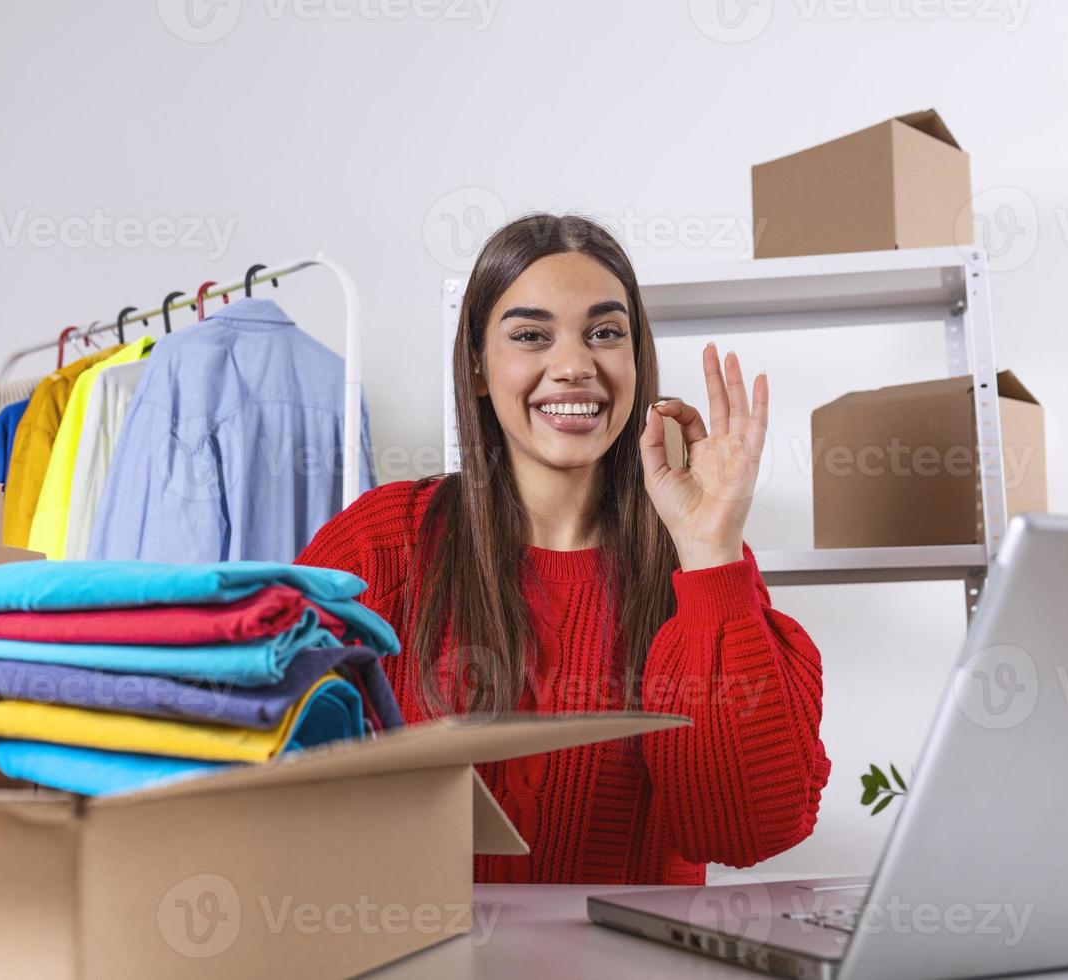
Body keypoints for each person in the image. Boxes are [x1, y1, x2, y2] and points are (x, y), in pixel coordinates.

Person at [296, 213, 830, 884]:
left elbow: (741, 831)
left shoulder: (699, 564)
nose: (575, 365)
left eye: (606, 333)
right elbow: (268, 775)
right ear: (479, 368)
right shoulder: (385, 542)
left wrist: (711, 549)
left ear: (638, 362)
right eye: (530, 335)